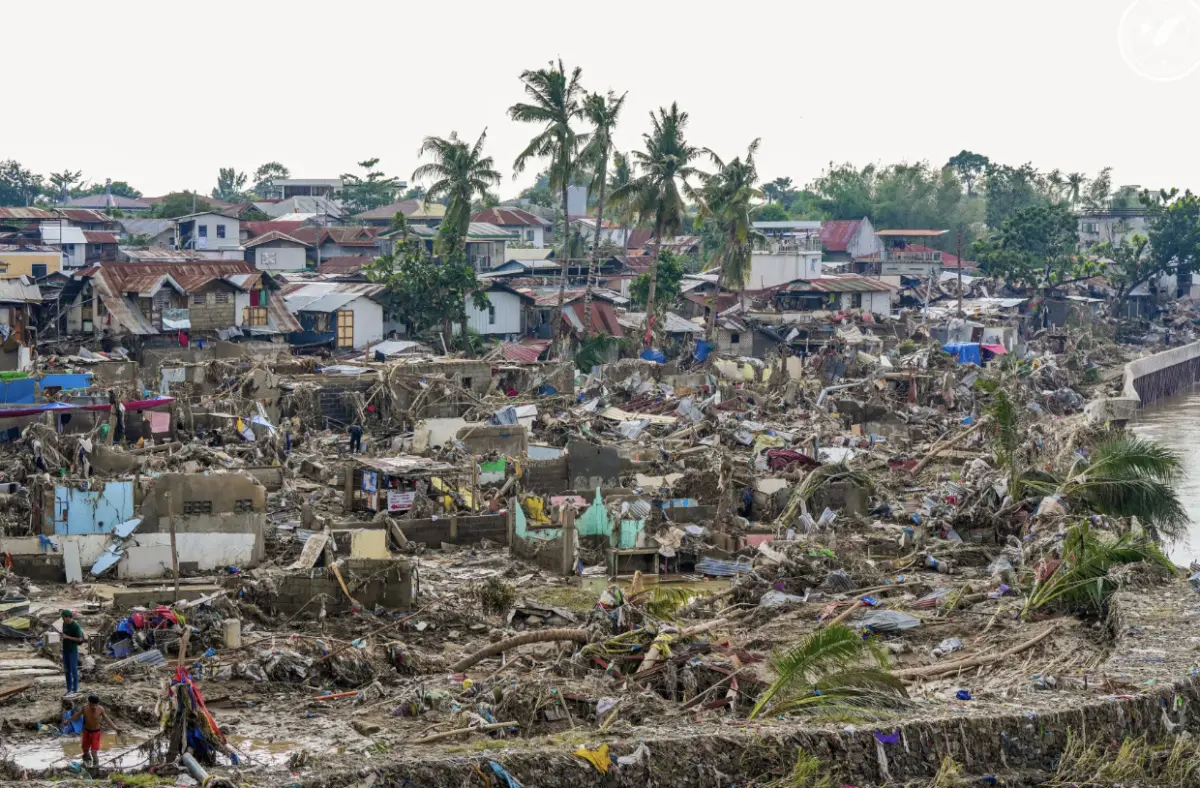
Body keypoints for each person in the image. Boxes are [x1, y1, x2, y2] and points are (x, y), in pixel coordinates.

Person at [67, 693, 121, 767]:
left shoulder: (101, 709)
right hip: (86, 731)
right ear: (89, 703)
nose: (94, 707)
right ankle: (87, 762)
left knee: (94, 752)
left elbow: (107, 720)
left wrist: (116, 728)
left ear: (98, 704)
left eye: (96, 705)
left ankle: (96, 766)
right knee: (85, 749)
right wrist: (68, 720)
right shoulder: (85, 708)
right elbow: (77, 715)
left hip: (96, 732)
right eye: (92, 705)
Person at [60, 609, 84, 696]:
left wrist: (68, 637)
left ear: (68, 617)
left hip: (72, 650)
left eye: (63, 617)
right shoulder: (64, 624)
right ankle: (69, 689)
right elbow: (64, 635)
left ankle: (75, 689)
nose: (62, 619)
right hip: (65, 650)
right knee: (67, 670)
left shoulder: (76, 626)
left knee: (73, 670)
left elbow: (80, 639)